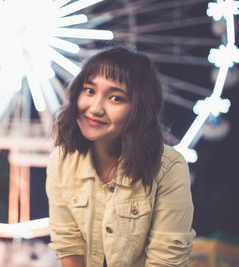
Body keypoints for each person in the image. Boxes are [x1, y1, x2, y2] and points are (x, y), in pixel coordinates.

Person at [46, 47, 196, 267]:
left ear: (139, 109)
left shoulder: (169, 168)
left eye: (116, 98)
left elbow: (167, 258)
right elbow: (68, 243)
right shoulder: (61, 161)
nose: (95, 108)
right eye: (89, 90)